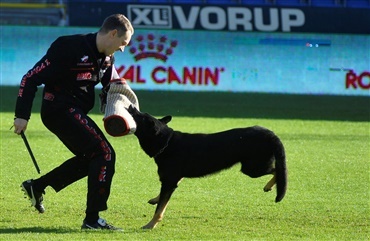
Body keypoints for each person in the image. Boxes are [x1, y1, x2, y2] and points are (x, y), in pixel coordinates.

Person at [13, 14, 135, 230]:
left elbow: (114, 87)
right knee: (105, 153)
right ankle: (92, 220)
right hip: (57, 110)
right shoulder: (68, 47)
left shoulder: (107, 59)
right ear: (113, 34)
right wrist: (22, 115)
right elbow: (29, 78)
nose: (122, 49)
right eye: (123, 43)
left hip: (74, 111)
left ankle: (37, 186)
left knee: (93, 158)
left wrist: (129, 112)